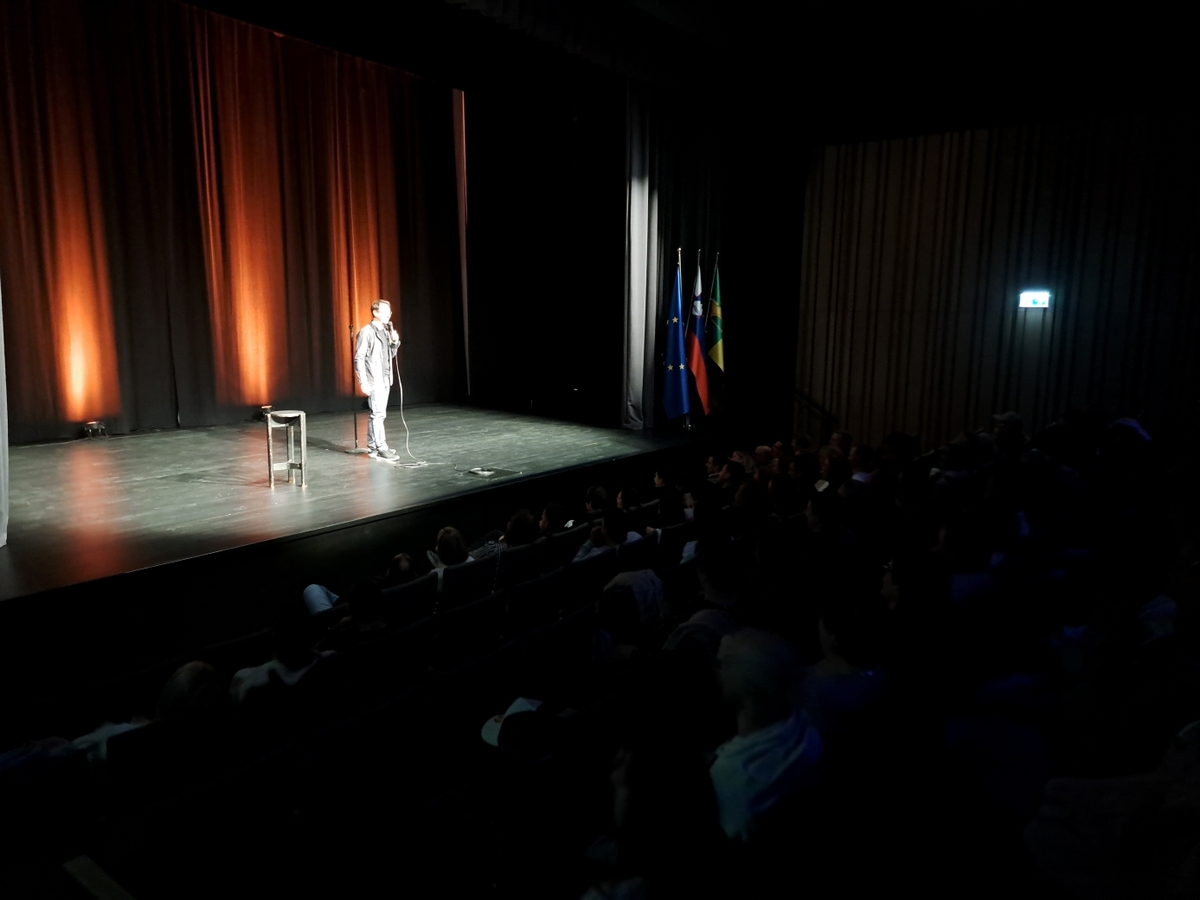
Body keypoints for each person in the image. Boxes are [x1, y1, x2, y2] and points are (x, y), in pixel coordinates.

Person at [354, 299, 401, 460]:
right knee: (378, 414)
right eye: (385, 312)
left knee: (377, 413)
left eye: (390, 312)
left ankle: (373, 446)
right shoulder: (366, 332)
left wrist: (394, 343)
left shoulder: (385, 331)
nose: (389, 315)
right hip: (374, 379)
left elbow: (389, 356)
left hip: (386, 378)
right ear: (375, 312)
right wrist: (363, 382)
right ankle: (381, 447)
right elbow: (359, 358)